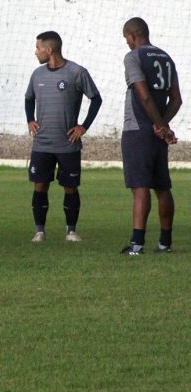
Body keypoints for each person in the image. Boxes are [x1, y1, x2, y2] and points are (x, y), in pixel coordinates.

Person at [24, 31, 102, 243]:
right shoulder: (37, 74)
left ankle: (71, 231)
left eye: (38, 48)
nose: (35, 52)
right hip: (42, 143)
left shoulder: (76, 72)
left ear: (49, 50)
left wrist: (83, 126)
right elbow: (28, 98)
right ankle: (39, 231)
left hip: (68, 144)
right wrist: (30, 119)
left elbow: (96, 99)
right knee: (40, 185)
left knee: (70, 187)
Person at [120, 17, 182, 255]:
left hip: (138, 129)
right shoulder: (166, 58)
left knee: (140, 186)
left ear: (133, 36)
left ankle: (137, 244)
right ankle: (165, 242)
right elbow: (176, 99)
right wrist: (163, 126)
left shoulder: (133, 57)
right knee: (162, 187)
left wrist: (157, 124)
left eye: (126, 38)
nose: (127, 43)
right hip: (158, 132)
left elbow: (143, 95)